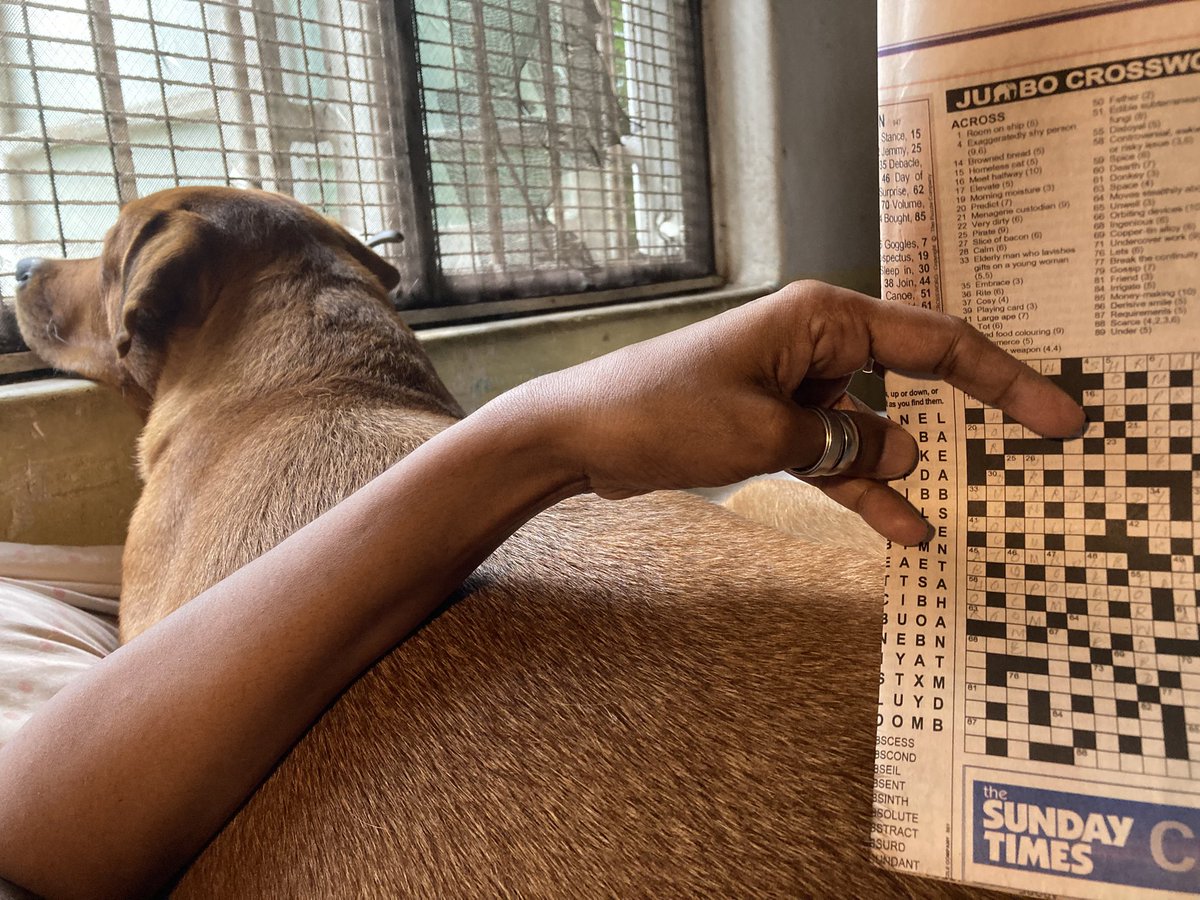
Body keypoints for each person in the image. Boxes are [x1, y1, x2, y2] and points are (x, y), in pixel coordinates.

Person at [0, 281, 1085, 898]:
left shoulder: (164, 530)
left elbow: (33, 820)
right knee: (787, 512)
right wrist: (547, 433)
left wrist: (551, 434)